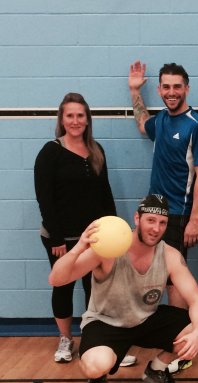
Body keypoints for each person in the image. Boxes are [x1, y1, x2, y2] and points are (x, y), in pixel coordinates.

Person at [49, 194, 198, 383]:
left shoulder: (170, 255)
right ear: (137, 219)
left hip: (146, 318)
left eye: (162, 223)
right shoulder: (109, 249)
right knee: (95, 365)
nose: (156, 228)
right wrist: (79, 247)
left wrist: (196, 332)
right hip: (106, 321)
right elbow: (56, 279)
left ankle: (157, 369)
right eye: (150, 220)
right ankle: (97, 380)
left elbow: (196, 299)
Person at [128, 61, 198, 372]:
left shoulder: (197, 126)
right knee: (149, 276)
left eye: (177, 86)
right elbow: (143, 124)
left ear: (186, 88)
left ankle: (174, 350)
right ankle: (148, 341)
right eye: (166, 87)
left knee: (174, 282)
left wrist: (195, 219)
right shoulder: (162, 120)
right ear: (160, 89)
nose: (171, 92)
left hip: (178, 216)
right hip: (152, 214)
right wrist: (135, 90)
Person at [34, 92, 117, 364]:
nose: (75, 120)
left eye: (80, 115)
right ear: (61, 119)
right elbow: (44, 199)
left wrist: (113, 231)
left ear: (87, 119)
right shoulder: (50, 152)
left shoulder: (96, 150)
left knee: (95, 288)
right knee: (63, 287)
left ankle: (94, 339)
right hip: (62, 238)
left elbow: (105, 193)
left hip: (95, 237)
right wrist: (57, 238)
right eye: (69, 115)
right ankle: (66, 339)